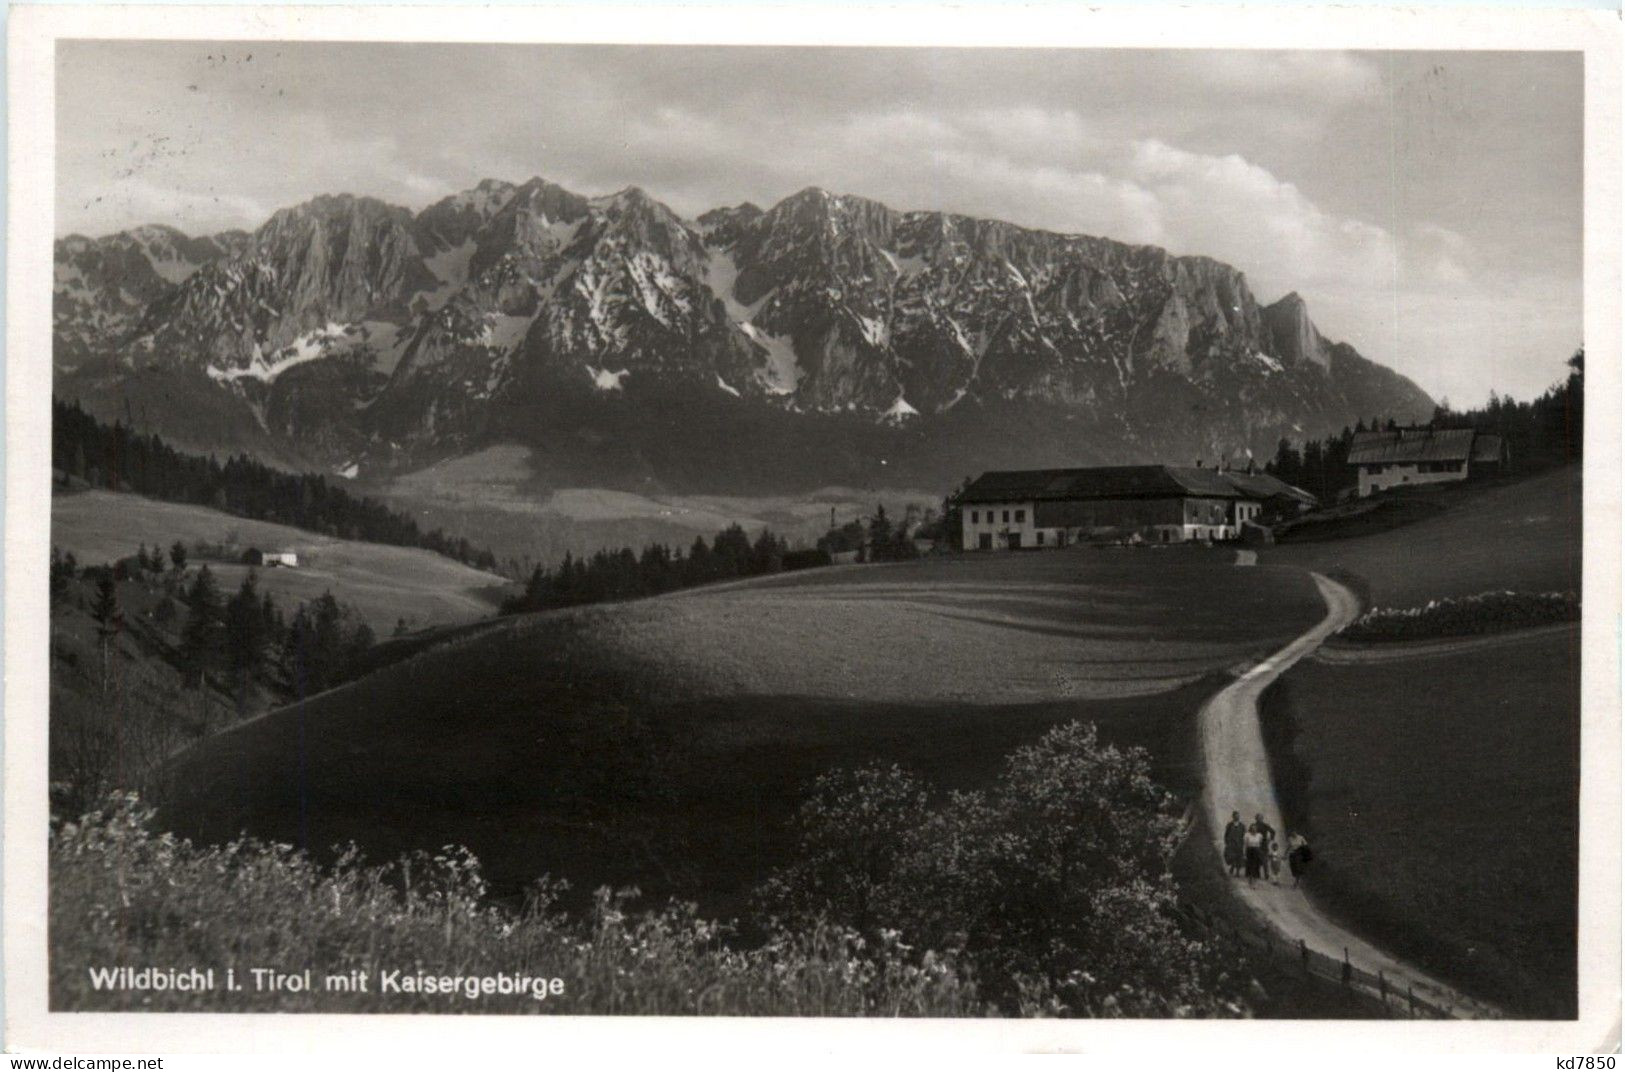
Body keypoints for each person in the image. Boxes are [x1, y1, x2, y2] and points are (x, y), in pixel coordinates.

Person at [1223, 811, 1246, 877]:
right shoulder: (1230, 825)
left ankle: (1237, 872)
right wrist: (1226, 841)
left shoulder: (1242, 826)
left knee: (1239, 857)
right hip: (1231, 844)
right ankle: (1232, 866)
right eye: (1236, 816)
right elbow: (1226, 834)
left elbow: (1244, 835)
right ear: (1233, 817)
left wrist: (1243, 842)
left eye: (1238, 816)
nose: (1237, 817)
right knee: (1231, 856)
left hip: (1239, 844)